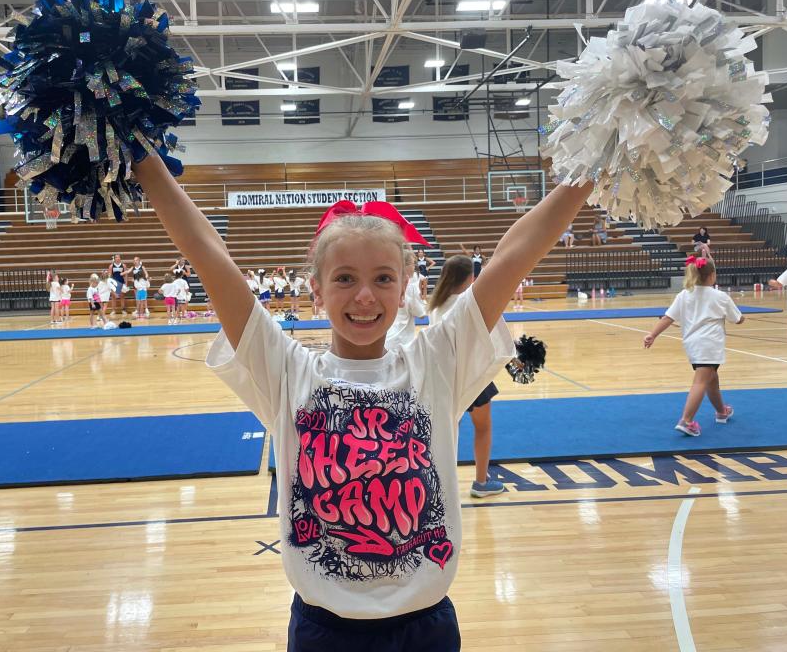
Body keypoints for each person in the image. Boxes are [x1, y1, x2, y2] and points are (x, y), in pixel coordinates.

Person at [132, 151, 593, 650]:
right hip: (324, 631)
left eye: (383, 278)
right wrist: (135, 150)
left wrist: (595, 161)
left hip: (426, 627)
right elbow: (207, 252)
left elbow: (514, 254)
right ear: (317, 289)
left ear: (404, 286)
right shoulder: (285, 370)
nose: (365, 297)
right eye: (345, 278)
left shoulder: (437, 361)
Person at [428, 255, 505, 498]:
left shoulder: (437, 304)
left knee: (447, 432)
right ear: (471, 277)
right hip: (473, 375)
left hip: (445, 376)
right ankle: (481, 482)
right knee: (482, 428)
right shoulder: (468, 304)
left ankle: (438, 484)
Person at [644, 257, 744, 436]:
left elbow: (668, 318)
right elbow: (737, 319)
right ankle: (686, 420)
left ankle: (722, 411)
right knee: (701, 381)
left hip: (692, 345)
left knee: (711, 379)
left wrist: (652, 334)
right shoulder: (720, 296)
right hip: (710, 345)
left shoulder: (684, 295)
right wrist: (742, 318)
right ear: (712, 275)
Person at [385, 251, 428, 350]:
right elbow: (420, 314)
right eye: (413, 263)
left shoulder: (389, 283)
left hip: (387, 335)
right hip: (401, 338)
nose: (414, 267)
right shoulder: (409, 287)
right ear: (405, 265)